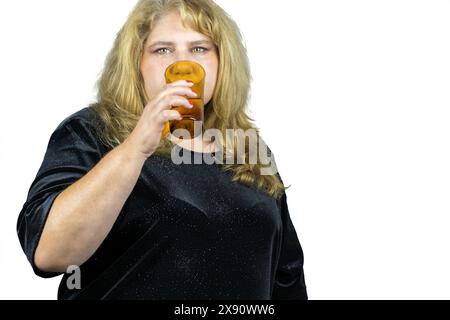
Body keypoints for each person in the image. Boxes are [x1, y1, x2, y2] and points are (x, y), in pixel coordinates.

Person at [16, 0, 307, 300]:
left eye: (199, 49)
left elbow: (287, 275)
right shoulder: (93, 132)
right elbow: (50, 253)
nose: (182, 65)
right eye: (162, 50)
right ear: (137, 63)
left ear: (222, 62)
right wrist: (137, 146)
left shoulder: (246, 148)